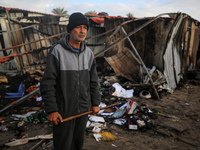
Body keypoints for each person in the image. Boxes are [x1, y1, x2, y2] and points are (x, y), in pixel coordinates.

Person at [40, 12, 101, 150]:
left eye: (85, 28)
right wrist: (52, 110)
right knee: (63, 145)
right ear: (70, 29)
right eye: (78, 27)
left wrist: (95, 102)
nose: (82, 31)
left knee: (77, 144)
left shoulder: (89, 54)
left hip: (83, 109)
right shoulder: (58, 51)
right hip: (64, 110)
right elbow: (48, 83)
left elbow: (94, 81)